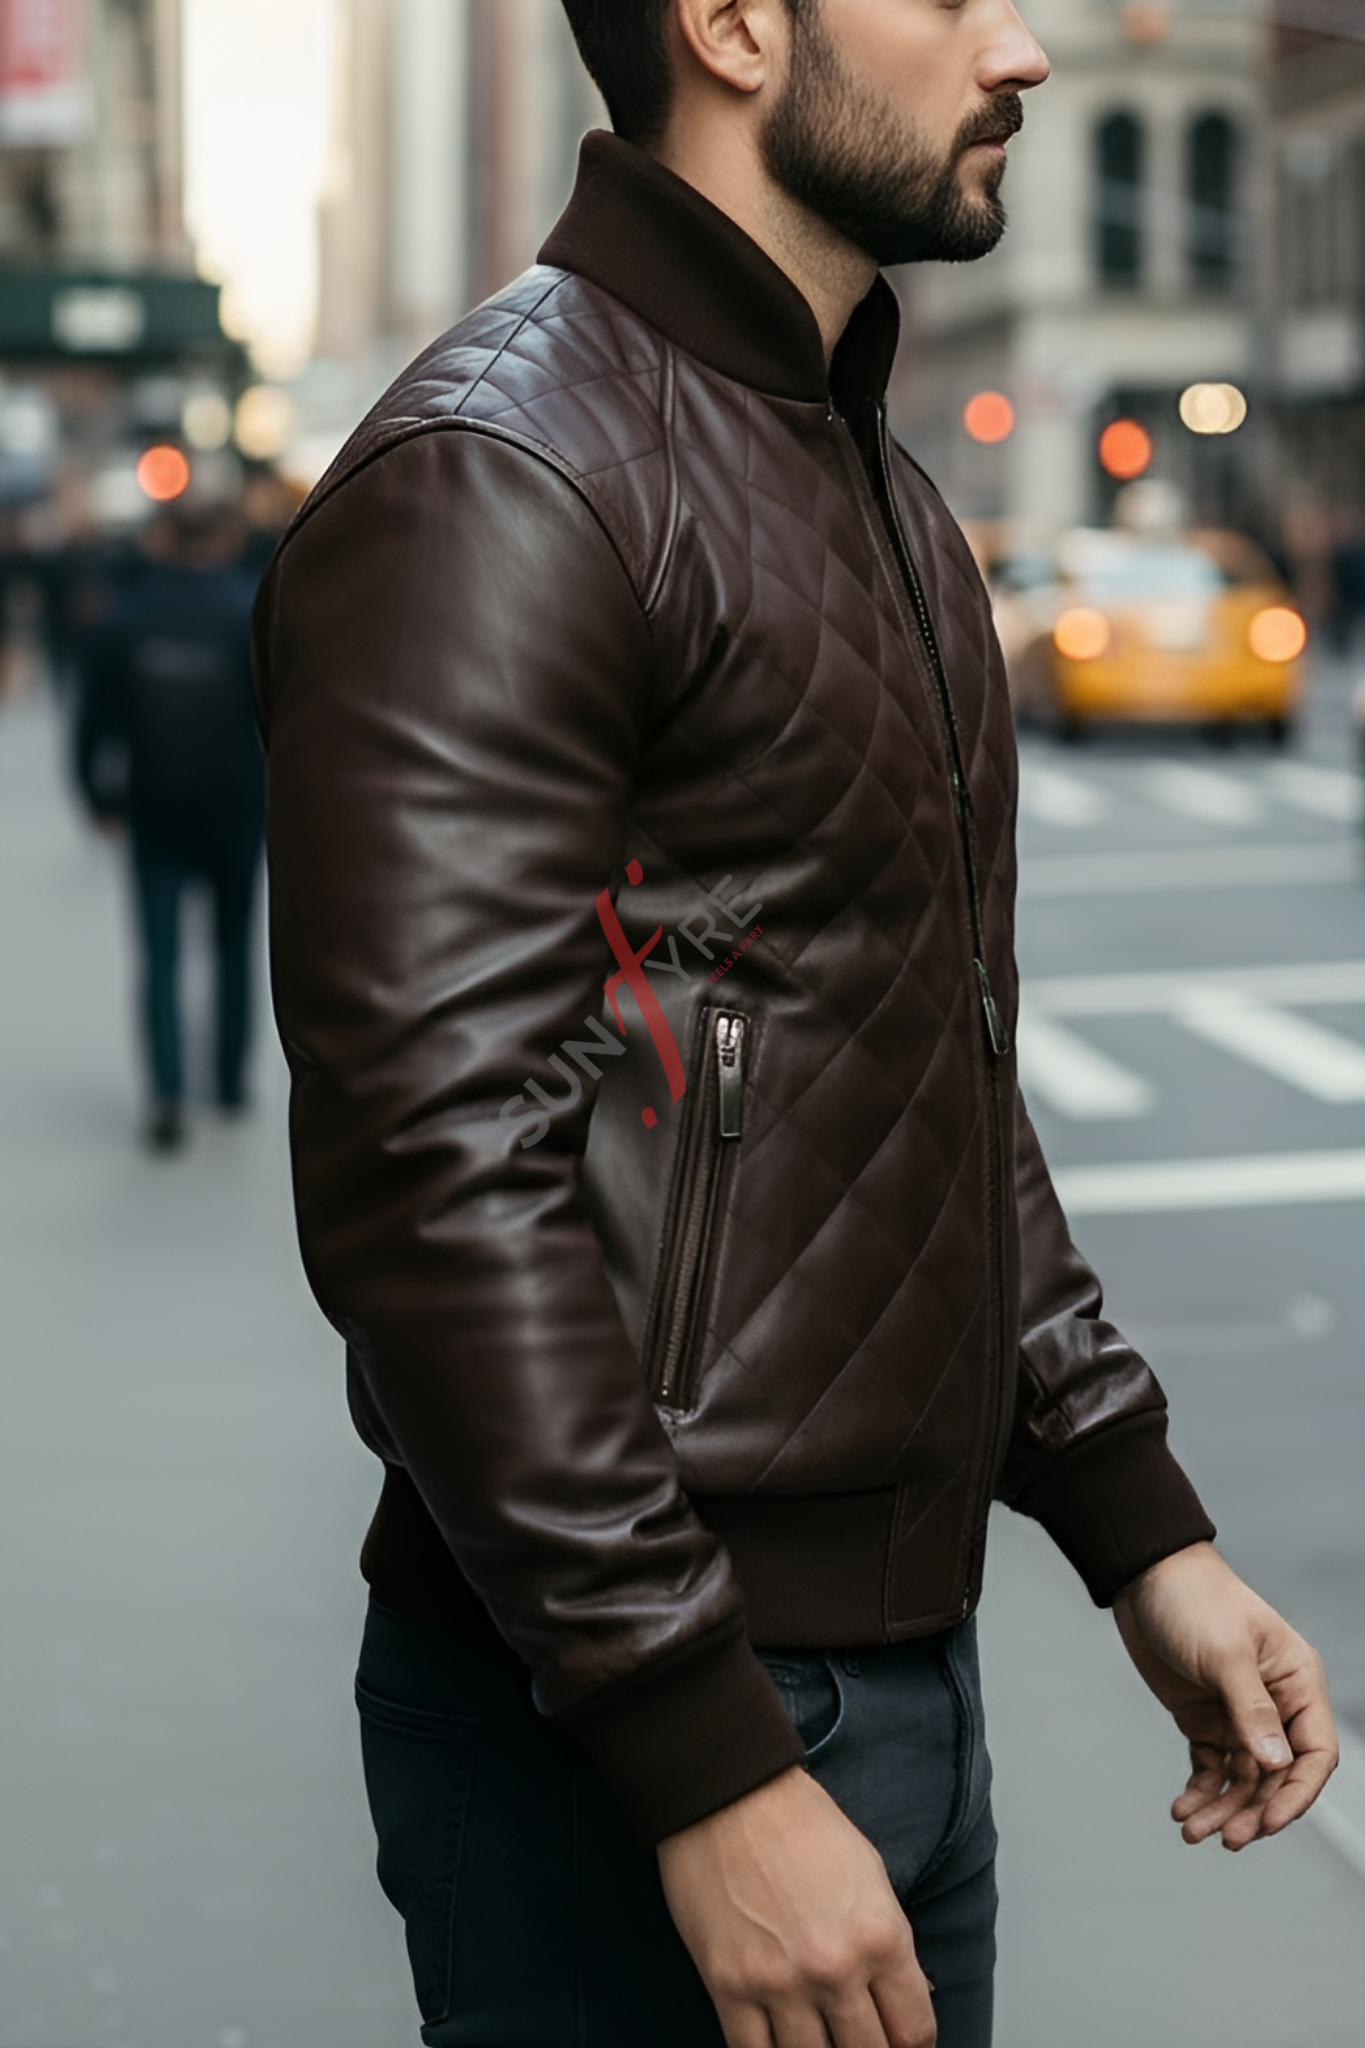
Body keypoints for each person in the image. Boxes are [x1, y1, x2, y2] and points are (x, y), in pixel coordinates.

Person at [253, 3, 1339, 2044]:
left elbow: (928, 1067)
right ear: (735, 25)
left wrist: (1136, 1523)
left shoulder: (863, 477)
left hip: (882, 1681)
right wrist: (704, 1757)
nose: (1019, 51)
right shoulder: (501, 473)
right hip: (648, 1712)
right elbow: (430, 1177)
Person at [77, 500, 265, 1151]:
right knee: (234, 944)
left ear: (159, 540)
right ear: (225, 536)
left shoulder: (126, 613)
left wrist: (96, 799)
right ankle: (231, 1081)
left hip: (154, 805)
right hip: (236, 805)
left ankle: (167, 1093)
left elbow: (92, 718)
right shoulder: (249, 609)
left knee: (159, 954)